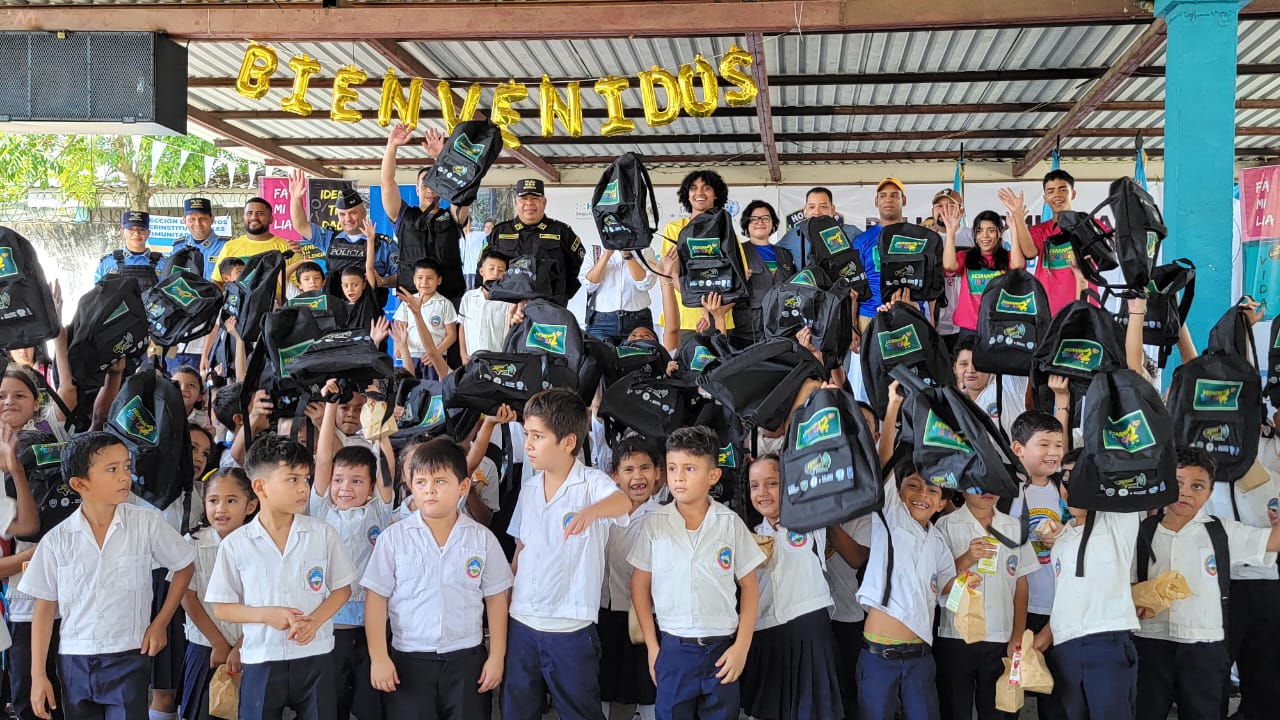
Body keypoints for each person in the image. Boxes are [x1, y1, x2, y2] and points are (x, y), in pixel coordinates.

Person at [21, 432, 196, 720]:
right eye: (112, 469)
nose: (124, 477)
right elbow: (44, 608)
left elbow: (184, 565)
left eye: (127, 467)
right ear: (80, 483)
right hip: (75, 657)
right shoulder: (57, 540)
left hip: (129, 652)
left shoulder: (146, 524)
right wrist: (38, 675)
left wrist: (159, 623)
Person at [501, 388, 631, 720]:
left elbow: (622, 503)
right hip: (523, 619)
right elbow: (521, 547)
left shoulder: (592, 482)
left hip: (570, 625)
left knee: (578, 711)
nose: (528, 444)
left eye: (537, 436)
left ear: (568, 442)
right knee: (518, 709)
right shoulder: (529, 488)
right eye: (527, 434)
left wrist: (591, 512)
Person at [206, 435, 357, 720]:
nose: (303, 488)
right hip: (262, 658)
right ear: (260, 486)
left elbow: (342, 589)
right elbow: (222, 608)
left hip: (316, 655)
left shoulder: (322, 534)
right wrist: (266, 615)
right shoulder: (236, 544)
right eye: (292, 480)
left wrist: (315, 621)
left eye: (306, 479)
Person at [362, 439, 513, 720]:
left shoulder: (482, 539)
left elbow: (495, 598)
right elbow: (375, 600)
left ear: (463, 487)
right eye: (420, 482)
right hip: (409, 659)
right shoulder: (394, 539)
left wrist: (496, 657)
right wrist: (379, 657)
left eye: (440, 481)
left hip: (466, 658)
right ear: (410, 486)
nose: (429, 490)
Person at [1134, 447, 1280, 720]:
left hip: (1204, 645)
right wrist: (1136, 598)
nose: (1186, 492)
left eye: (1197, 486)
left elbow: (1271, 542)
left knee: (1204, 712)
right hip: (1151, 642)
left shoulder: (1221, 532)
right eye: (1177, 484)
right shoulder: (1143, 531)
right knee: (1145, 712)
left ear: (1210, 493)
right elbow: (1124, 583)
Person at [628, 426, 764, 720]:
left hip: (721, 651)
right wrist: (653, 647)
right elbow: (639, 586)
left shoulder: (730, 523)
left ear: (712, 477)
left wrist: (741, 647)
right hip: (674, 649)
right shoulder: (656, 524)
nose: (678, 477)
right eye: (673, 467)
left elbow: (751, 588)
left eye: (689, 468)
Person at [859, 381, 977, 720]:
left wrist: (967, 574)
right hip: (877, 656)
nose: (922, 493)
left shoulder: (938, 541)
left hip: (920, 658)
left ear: (942, 503)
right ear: (899, 490)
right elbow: (884, 463)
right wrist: (893, 408)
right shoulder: (890, 517)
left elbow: (945, 592)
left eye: (931, 490)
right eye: (912, 485)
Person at [312, 382, 394, 720]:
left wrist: (380, 427)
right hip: (331, 628)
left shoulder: (378, 511)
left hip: (371, 628)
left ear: (371, 487)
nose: (346, 488)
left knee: (369, 705)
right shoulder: (321, 510)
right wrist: (330, 405)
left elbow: (387, 468)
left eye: (357, 481)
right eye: (340, 480)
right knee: (330, 705)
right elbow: (323, 459)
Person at [1039, 460, 1142, 720]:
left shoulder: (1119, 520)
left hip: (1107, 644)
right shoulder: (1060, 540)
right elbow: (1067, 596)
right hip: (1065, 648)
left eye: (1081, 478)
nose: (1071, 487)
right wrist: (1044, 637)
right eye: (1065, 481)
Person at [741, 454, 841, 720]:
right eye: (754, 485)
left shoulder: (811, 521)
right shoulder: (748, 536)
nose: (762, 492)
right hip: (766, 634)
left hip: (809, 630)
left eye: (772, 483)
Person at [935, 486, 1037, 720]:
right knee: (955, 707)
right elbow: (937, 580)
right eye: (977, 484)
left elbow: (1021, 584)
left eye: (993, 482)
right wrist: (968, 558)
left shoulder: (1014, 527)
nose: (986, 491)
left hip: (1001, 636)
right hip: (957, 635)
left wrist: (1018, 634)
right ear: (962, 487)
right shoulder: (946, 525)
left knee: (998, 710)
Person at [178, 468, 257, 720]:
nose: (221, 508)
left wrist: (240, 647)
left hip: (252, 648)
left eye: (231, 500)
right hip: (205, 648)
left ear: (251, 505)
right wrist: (219, 644)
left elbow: (269, 599)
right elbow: (187, 596)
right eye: (214, 500)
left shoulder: (261, 544)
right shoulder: (192, 542)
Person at [1008, 408, 1069, 720]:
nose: (1054, 452)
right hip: (1017, 607)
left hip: (1055, 608)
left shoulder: (1062, 488)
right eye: (1044, 444)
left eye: (1058, 445)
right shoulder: (1008, 491)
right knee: (1010, 692)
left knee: (1054, 695)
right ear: (1019, 449)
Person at [598, 437, 660, 720]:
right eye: (629, 469)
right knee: (601, 678)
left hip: (644, 614)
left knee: (647, 681)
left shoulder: (662, 516)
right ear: (614, 476)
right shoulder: (602, 512)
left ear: (657, 473)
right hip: (604, 608)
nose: (638, 476)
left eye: (645, 468)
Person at [657, 170, 748, 345]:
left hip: (720, 319)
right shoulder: (674, 230)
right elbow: (672, 275)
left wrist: (715, 313)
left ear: (716, 195)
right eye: (693, 188)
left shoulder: (727, 232)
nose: (699, 192)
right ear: (687, 195)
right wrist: (704, 311)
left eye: (706, 188)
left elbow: (739, 283)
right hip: (683, 321)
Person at [381, 125, 469, 303]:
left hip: (450, 299)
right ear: (417, 190)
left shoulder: (453, 215)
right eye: (425, 185)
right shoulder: (403, 215)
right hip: (412, 298)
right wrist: (391, 146)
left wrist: (442, 158)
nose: (430, 190)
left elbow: (463, 191)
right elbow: (387, 182)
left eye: (436, 185)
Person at [0, 427, 51, 720]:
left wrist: (17, 472)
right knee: (26, 697)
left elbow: (30, 527)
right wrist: (32, 558)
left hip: (59, 610)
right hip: (20, 610)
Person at [289, 173, 397, 303]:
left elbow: (404, 277)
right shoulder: (329, 238)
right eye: (342, 214)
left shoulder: (382, 244)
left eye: (353, 213)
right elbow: (300, 225)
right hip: (335, 315)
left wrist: (383, 281)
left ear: (363, 212)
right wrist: (296, 199)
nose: (347, 219)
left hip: (368, 314)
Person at [487, 179, 585, 307]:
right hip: (506, 306)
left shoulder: (562, 232)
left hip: (549, 307)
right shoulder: (499, 232)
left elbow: (577, 270)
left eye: (535, 198)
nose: (529, 203)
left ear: (544, 203)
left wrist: (560, 296)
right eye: (523, 199)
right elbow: (484, 268)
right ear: (516, 203)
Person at [940, 195, 1027, 336]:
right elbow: (949, 266)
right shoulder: (966, 256)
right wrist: (950, 232)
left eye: (991, 230)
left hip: (1000, 326)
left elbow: (1018, 266)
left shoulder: (1009, 256)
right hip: (969, 327)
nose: (984, 236)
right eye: (979, 231)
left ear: (1000, 233)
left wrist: (1014, 230)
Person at [1010, 170, 1092, 316]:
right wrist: (1018, 215)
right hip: (1047, 309)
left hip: (1084, 307)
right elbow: (1030, 252)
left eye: (1063, 189)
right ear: (1045, 198)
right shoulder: (1040, 230)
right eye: (1051, 191)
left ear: (1073, 194)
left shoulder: (1089, 225)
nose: (1057, 195)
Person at [171, 198, 230, 369]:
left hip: (215, 319)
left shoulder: (226, 246)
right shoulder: (178, 247)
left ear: (212, 219)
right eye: (192, 219)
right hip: (185, 320)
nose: (198, 223)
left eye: (203, 218)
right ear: (184, 221)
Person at [731, 200, 794, 347]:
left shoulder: (785, 255)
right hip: (747, 330)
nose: (760, 222)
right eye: (754, 219)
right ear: (747, 224)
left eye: (765, 218)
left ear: (773, 223)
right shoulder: (737, 252)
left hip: (781, 329)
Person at [850, 178, 904, 327]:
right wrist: (853, 324)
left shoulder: (916, 237)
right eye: (883, 196)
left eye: (894, 195)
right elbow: (854, 286)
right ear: (876, 201)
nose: (888, 200)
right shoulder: (862, 241)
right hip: (868, 316)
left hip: (907, 313)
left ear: (903, 200)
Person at [580, 243, 657, 345]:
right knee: (599, 358)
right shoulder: (596, 251)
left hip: (637, 321)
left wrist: (627, 254)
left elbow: (645, 284)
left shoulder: (644, 250)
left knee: (638, 359)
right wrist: (607, 254)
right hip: (601, 322)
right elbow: (589, 285)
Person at [953, 336, 1028, 440]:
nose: (970, 370)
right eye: (963, 364)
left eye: (977, 363)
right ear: (955, 368)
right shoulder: (952, 403)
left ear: (990, 365)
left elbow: (1018, 344)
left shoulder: (1008, 385)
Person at [391, 260, 457, 378]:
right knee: (411, 389)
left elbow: (451, 335)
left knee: (434, 392)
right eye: (420, 278)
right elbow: (400, 326)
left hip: (435, 359)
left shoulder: (445, 304)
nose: (424, 282)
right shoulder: (407, 301)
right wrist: (398, 345)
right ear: (414, 280)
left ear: (439, 280)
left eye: (430, 278)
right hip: (410, 356)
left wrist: (436, 353)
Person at [210, 198, 298, 283]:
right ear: (243, 218)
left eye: (260, 213)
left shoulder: (288, 248)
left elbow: (299, 284)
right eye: (249, 213)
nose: (254, 217)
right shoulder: (230, 247)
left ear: (271, 219)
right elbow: (217, 282)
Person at [931, 189, 974, 351]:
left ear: (961, 211)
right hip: (934, 323)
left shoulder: (974, 238)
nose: (944, 210)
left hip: (967, 323)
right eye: (939, 206)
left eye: (950, 205)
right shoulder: (923, 239)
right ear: (932, 211)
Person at [457, 250, 512, 364]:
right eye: (491, 268)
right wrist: (463, 354)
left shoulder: (509, 300)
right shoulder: (469, 297)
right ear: (482, 271)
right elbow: (462, 326)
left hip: (498, 359)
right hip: (471, 359)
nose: (495, 273)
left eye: (501, 270)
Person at [94, 210, 162, 289]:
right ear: (122, 232)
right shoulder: (107, 263)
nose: (136, 233)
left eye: (141, 229)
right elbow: (98, 297)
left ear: (148, 233)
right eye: (130, 229)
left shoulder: (163, 263)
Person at [463, 219, 493, 291]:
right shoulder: (459, 237)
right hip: (465, 271)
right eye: (486, 227)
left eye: (491, 227)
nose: (466, 226)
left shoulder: (478, 235)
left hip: (476, 271)